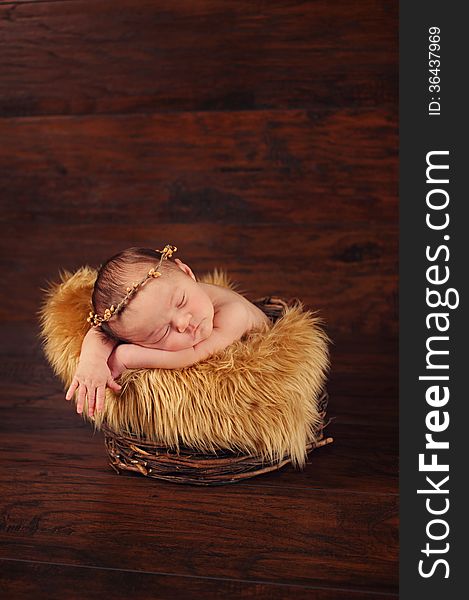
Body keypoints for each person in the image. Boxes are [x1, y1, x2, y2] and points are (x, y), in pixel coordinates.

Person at [65, 245, 271, 417]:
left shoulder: (234, 314)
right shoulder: (152, 311)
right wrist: (91, 362)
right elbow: (101, 331)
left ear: (187, 273)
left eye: (181, 302)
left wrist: (127, 357)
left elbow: (195, 353)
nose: (183, 323)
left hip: (262, 365)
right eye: (162, 333)